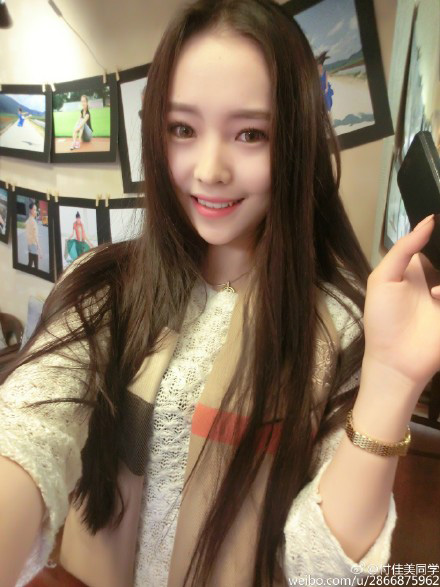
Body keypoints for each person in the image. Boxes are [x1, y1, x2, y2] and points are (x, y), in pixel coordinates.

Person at [1, 1, 440, 586]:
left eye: (251, 134)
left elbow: (322, 572)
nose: (209, 170)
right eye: (183, 129)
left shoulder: (340, 324)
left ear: (296, 143)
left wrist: (392, 378)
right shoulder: (105, 286)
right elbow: (29, 430)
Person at [24, 201, 42, 269]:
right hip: (33, 245)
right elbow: (35, 236)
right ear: (30, 210)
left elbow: (27, 234)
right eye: (34, 209)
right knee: (36, 267)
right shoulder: (33, 222)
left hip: (29, 245)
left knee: (30, 264)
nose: (36, 211)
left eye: (36, 209)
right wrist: (39, 248)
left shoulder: (27, 221)